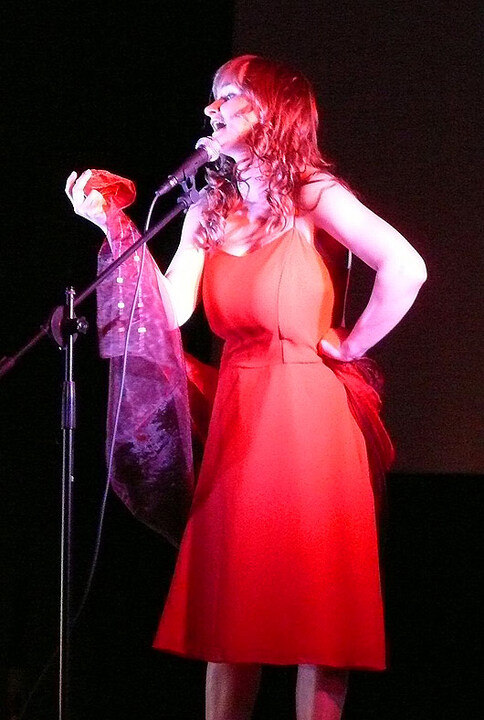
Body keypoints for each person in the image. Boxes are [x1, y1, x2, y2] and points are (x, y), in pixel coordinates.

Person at [66, 55, 426, 720]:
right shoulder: (209, 210)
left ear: (271, 111)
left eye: (229, 95)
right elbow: (173, 310)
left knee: (320, 616)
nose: (212, 108)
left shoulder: (312, 194)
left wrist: (351, 345)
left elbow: (405, 267)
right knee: (232, 611)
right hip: (240, 418)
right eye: (213, 96)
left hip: (309, 419)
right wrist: (113, 225)